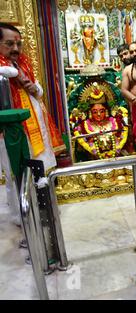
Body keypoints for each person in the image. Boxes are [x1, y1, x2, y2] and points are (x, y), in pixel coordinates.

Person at [0, 22, 65, 225]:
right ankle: (24, 220)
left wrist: (30, 85)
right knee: (17, 175)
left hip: (36, 128)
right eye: (9, 44)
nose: (16, 49)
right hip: (11, 134)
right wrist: (14, 74)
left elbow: (39, 92)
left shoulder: (23, 64)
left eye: (18, 44)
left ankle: (42, 211)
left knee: (39, 169)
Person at [73, 82, 128, 160]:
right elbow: (84, 141)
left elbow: (121, 137)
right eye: (95, 112)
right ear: (90, 112)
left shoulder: (114, 122)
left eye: (101, 111)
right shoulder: (85, 125)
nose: (98, 114)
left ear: (106, 111)